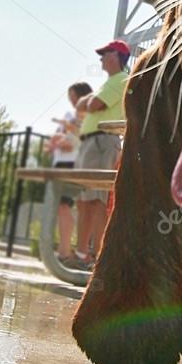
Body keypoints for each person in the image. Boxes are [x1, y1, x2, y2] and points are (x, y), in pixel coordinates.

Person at [74, 39, 130, 267]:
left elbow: (92, 105)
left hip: (102, 142)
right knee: (85, 200)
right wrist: (88, 101)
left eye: (105, 54)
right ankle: (81, 255)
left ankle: (98, 256)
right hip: (92, 142)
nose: (100, 59)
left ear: (116, 56)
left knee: (97, 201)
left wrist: (88, 101)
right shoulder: (110, 83)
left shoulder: (121, 80)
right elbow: (83, 104)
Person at [48, 81, 92, 265]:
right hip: (61, 162)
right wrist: (58, 142)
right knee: (61, 206)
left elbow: (76, 140)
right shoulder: (70, 115)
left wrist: (63, 142)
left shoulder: (87, 115)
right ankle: (64, 249)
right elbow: (60, 137)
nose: (72, 100)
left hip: (71, 162)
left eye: (74, 96)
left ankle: (65, 251)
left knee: (64, 205)